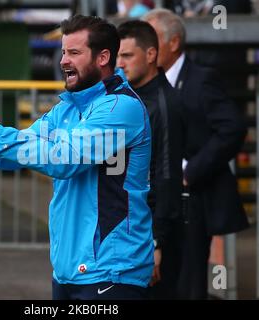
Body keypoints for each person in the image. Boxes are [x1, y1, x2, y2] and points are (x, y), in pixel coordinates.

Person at [0, 15, 154, 300]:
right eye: (62, 52)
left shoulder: (122, 107)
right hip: (68, 270)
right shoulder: (67, 108)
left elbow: (64, 159)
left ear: (103, 57)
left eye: (74, 52)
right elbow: (19, 153)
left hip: (113, 272)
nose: (63, 61)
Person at [143, 8, 249, 299]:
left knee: (188, 284)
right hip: (159, 201)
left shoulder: (201, 80)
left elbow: (233, 127)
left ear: (173, 42)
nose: (144, 49)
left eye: (150, 40)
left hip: (194, 203)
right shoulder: (144, 86)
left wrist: (190, 170)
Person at [117, 20, 185, 299]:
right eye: (118, 55)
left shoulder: (164, 104)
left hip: (151, 237)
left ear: (150, 55)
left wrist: (157, 244)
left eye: (127, 55)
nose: (120, 63)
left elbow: (167, 176)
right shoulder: (126, 96)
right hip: (126, 231)